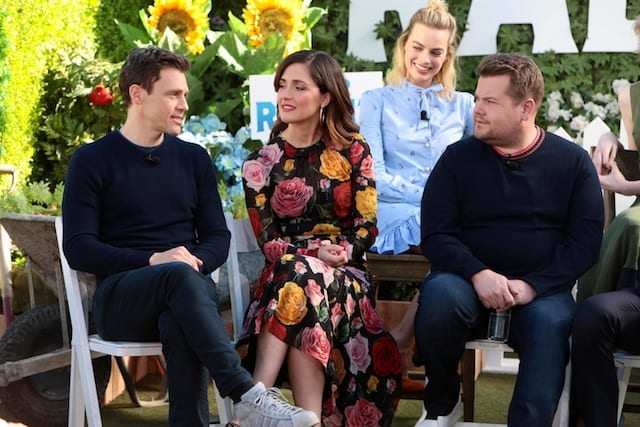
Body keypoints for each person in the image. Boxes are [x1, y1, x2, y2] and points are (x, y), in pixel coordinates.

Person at [62, 46, 319, 427]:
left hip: (184, 297)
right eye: (172, 94)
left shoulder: (193, 159)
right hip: (121, 301)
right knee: (182, 281)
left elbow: (216, 236)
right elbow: (78, 248)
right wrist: (154, 261)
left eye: (184, 94)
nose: (184, 103)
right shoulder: (92, 160)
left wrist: (190, 262)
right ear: (137, 95)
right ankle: (247, 395)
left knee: (180, 310)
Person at [414, 52, 604, 427]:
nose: (477, 110)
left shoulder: (572, 163)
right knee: (439, 297)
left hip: (541, 292)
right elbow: (436, 234)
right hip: (465, 283)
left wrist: (533, 285)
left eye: (490, 101)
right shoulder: (457, 159)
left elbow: (583, 244)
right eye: (477, 98)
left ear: (526, 108)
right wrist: (477, 273)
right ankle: (442, 399)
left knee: (551, 325)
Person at [238, 49, 402, 426]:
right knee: (301, 275)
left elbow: (367, 225)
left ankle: (255, 401)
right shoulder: (260, 162)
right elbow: (269, 241)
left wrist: (340, 253)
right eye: (282, 86)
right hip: (284, 275)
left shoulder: (353, 151)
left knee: (303, 278)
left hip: (346, 277)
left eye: (299, 86)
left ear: (326, 96)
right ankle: (305, 417)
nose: (286, 95)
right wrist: (315, 254)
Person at [358, 0, 474, 389]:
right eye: (418, 47)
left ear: (448, 55)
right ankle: (415, 336)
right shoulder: (376, 100)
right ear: (404, 44)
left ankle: (409, 330)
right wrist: (435, 196)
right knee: (447, 235)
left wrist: (448, 199)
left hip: (445, 213)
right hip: (393, 208)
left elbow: (475, 170)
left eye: (436, 51)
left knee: (458, 237)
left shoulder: (465, 105)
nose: (425, 58)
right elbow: (374, 173)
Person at [572, 16, 640, 427]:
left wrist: (631, 190)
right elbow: (633, 159)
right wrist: (612, 140)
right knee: (595, 313)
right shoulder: (632, 98)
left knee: (631, 225)